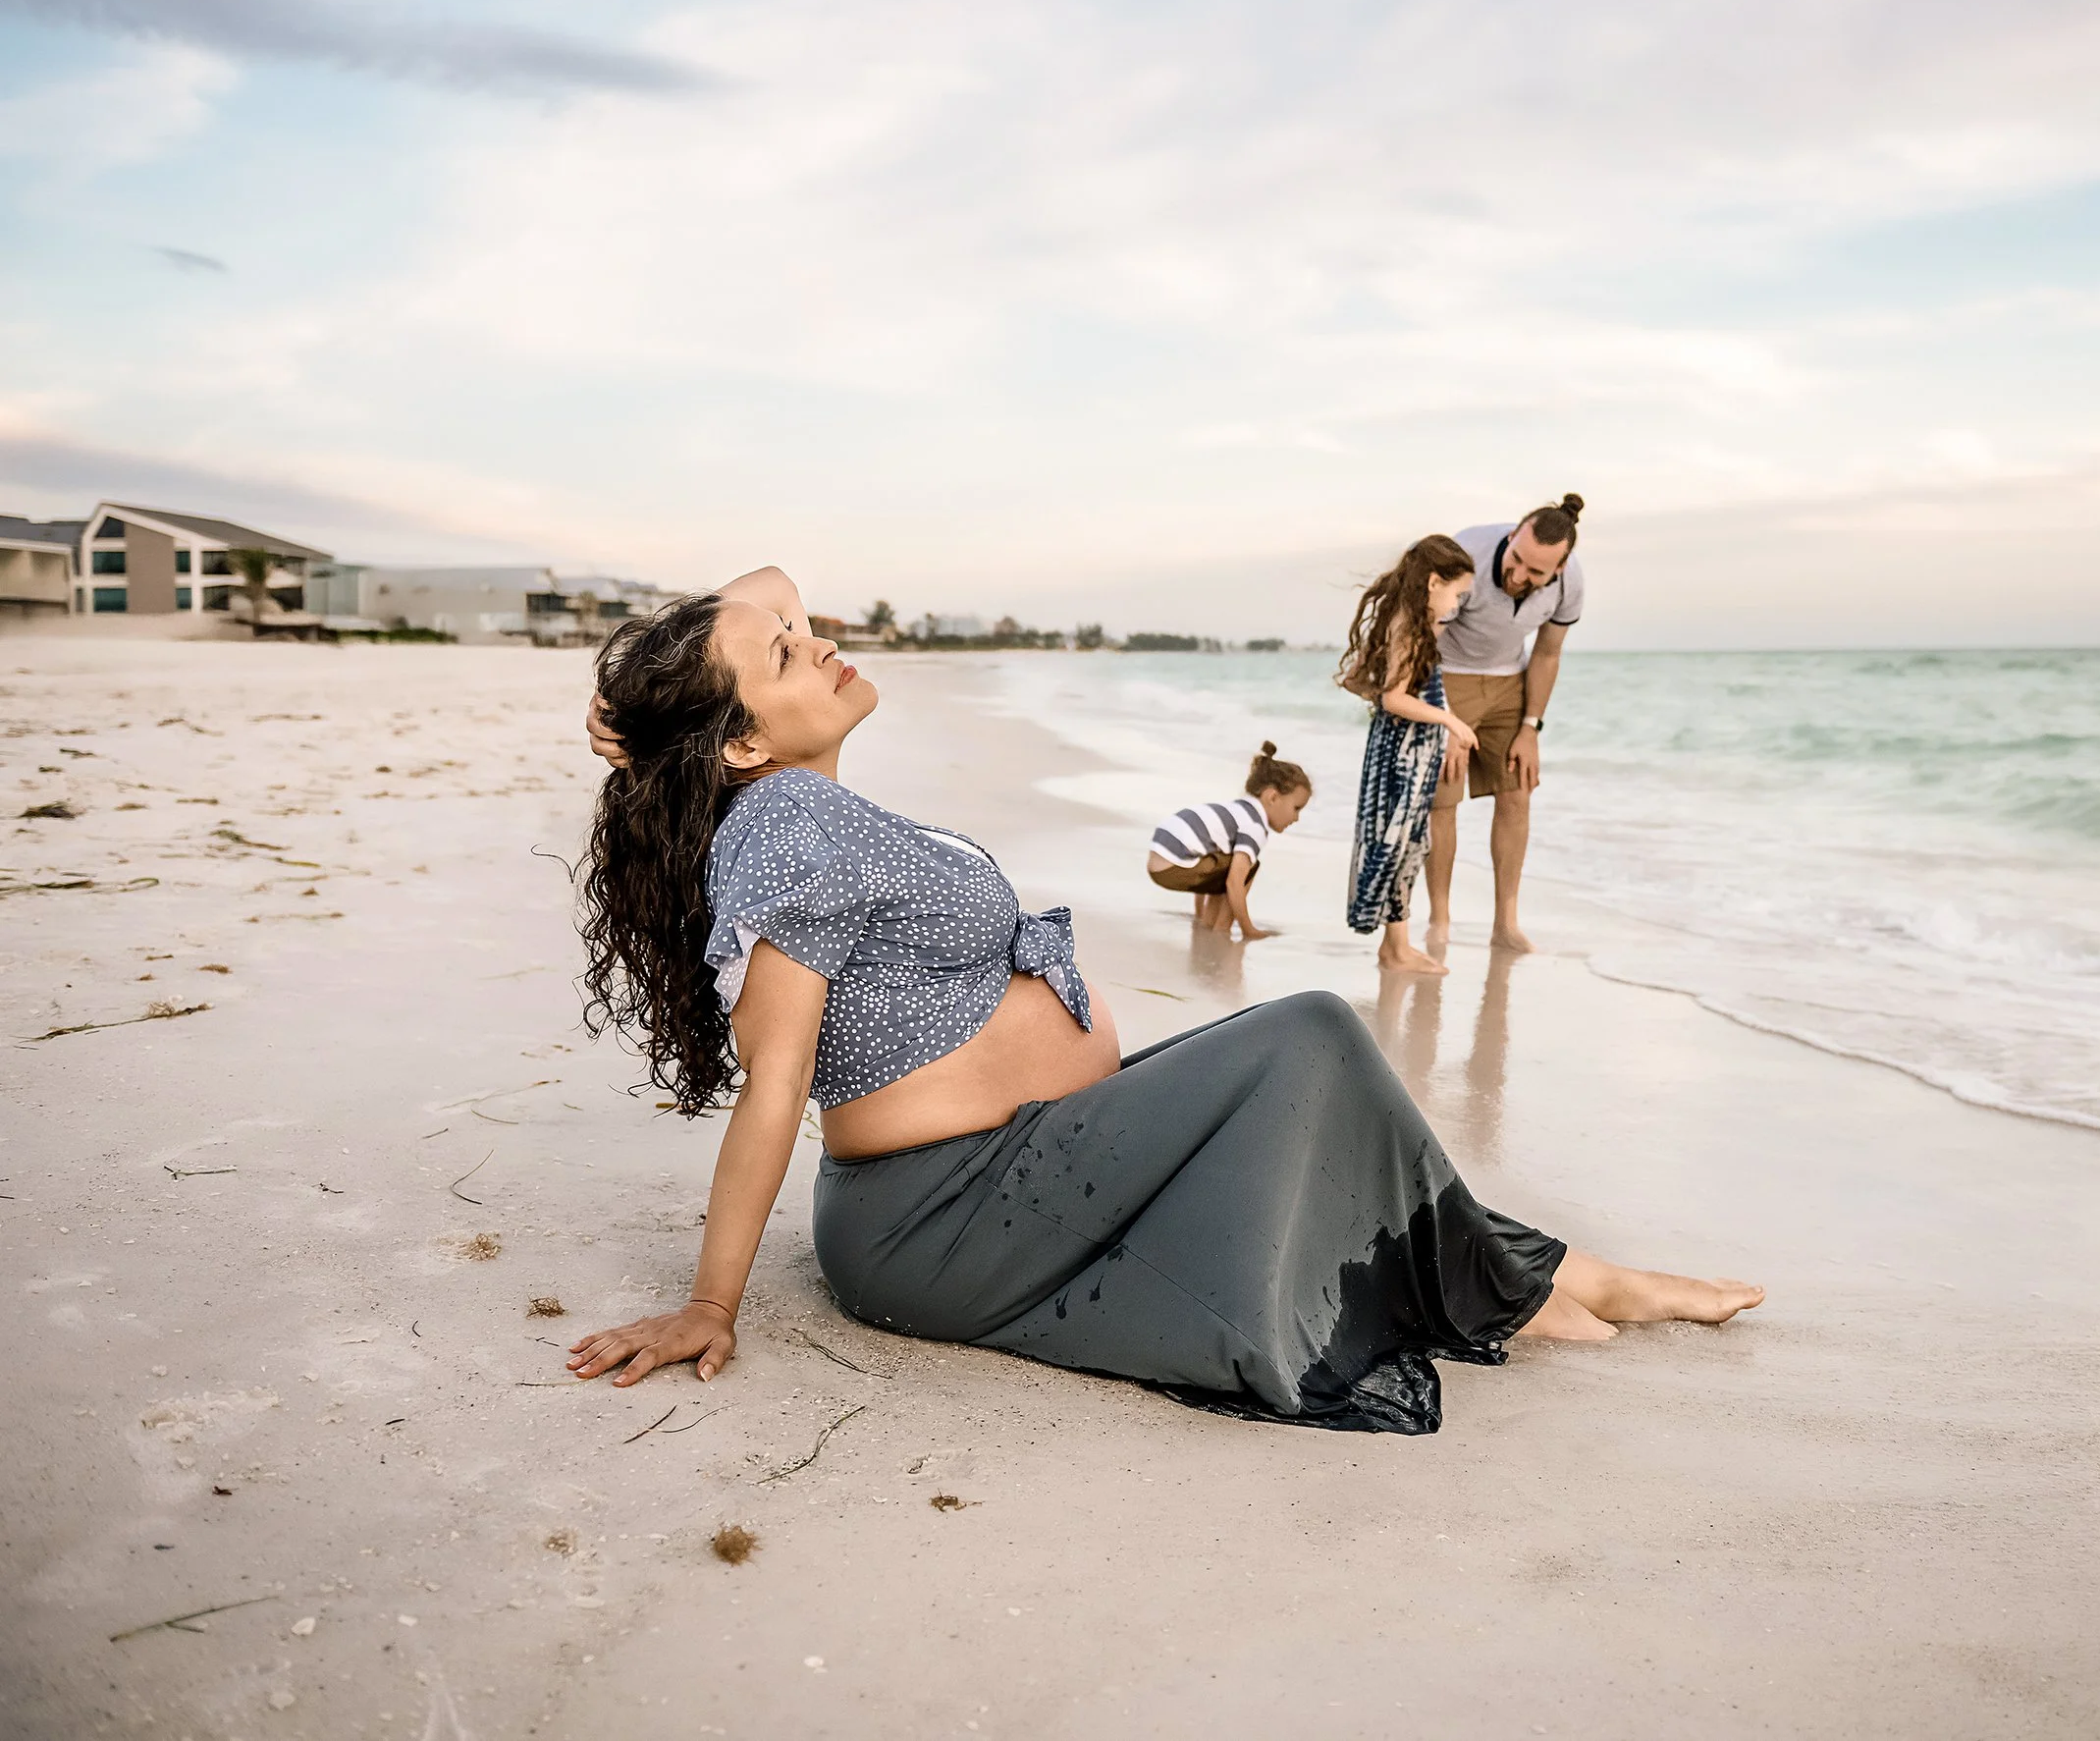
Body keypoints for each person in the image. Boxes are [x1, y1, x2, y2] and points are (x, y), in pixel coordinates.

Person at [567, 565, 1761, 1436]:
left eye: (802, 629)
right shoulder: (783, 824)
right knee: (1307, 1034)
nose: (813, 635)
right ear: (739, 747)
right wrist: (709, 1302)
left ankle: (1533, 1275)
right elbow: (775, 1079)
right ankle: (1531, 1283)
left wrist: (658, 714)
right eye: (785, 653)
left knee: (1297, 1066)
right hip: (944, 1213)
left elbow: (756, 589)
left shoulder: (797, 803)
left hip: (1011, 1169)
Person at [1427, 493, 1587, 953]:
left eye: (1535, 572)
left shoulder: (1570, 583)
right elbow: (1423, 640)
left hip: (1509, 683)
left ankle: (1506, 924)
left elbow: (1548, 652)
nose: (1518, 575)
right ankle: (1441, 922)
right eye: (1516, 558)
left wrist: (1531, 728)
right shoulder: (1467, 554)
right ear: (1513, 534)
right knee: (1443, 798)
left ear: (1559, 569)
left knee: (1519, 790)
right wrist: (1446, 720)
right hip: (1445, 674)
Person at [1339, 536, 1481, 976]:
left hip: (1413, 755)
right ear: (1434, 582)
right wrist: (1450, 722)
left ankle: (1396, 945)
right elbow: (1394, 700)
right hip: (1400, 757)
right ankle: (1394, 948)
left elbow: (1359, 680)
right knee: (1394, 843)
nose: (1456, 606)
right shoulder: (1406, 624)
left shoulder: (1415, 624)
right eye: (1456, 595)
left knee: (1410, 844)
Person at [1147, 743, 1311, 941]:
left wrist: (1199, 914)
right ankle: (1222, 928)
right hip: (1175, 865)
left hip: (1160, 860)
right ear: (1273, 797)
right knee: (1247, 867)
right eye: (1296, 808)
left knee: (1224, 863)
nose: (1296, 818)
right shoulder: (1254, 825)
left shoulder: (1236, 811)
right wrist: (1249, 930)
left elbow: (1205, 858)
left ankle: (1206, 921)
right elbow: (1234, 882)